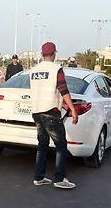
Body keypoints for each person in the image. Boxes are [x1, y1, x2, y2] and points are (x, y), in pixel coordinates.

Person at [30, 42, 78, 189]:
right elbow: (63, 90)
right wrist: (73, 109)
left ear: (42, 54)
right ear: (54, 53)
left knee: (42, 145)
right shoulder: (56, 69)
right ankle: (59, 179)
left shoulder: (33, 70)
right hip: (50, 112)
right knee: (61, 146)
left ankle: (39, 177)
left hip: (37, 112)